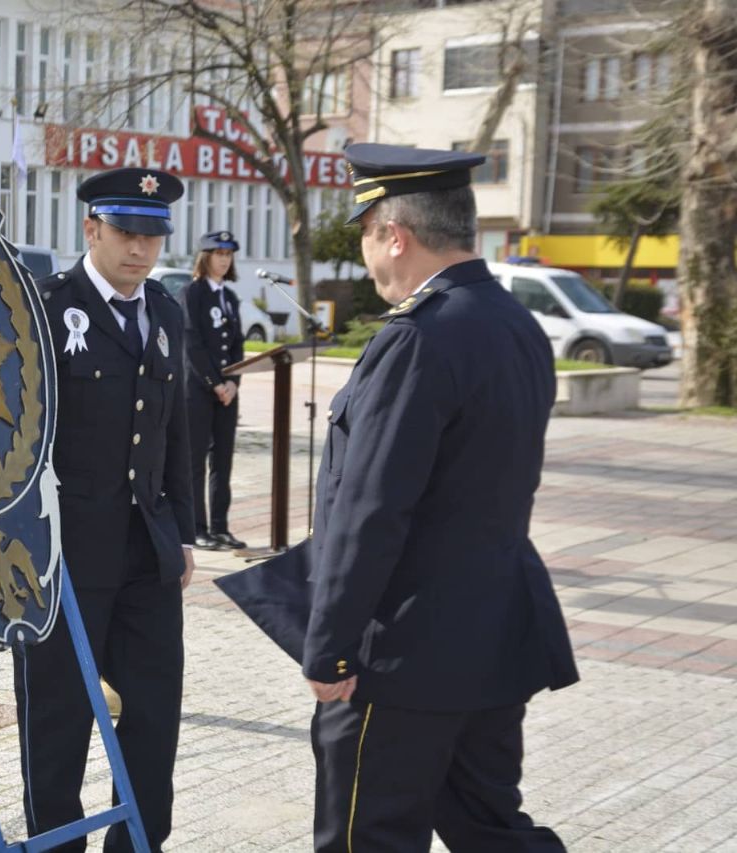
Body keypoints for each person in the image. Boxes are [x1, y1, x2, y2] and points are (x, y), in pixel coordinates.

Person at [303, 143, 579, 852]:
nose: (369, 260)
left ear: (395, 234)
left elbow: (372, 509)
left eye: (368, 237)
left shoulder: (420, 339)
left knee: (367, 838)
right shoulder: (517, 325)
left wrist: (331, 648)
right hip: (493, 635)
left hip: (402, 654)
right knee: (489, 828)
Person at [14, 167, 196, 852]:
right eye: (126, 232)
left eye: (153, 236)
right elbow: (18, 437)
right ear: (92, 228)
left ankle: (139, 843)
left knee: (154, 715)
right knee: (58, 718)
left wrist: (180, 529)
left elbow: (179, 432)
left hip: (146, 552)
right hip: (65, 550)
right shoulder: (47, 306)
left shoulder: (168, 312)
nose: (141, 250)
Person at [180, 230, 247, 551]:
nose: (224, 260)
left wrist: (234, 381)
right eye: (218, 254)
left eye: (228, 255)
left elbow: (237, 345)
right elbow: (192, 343)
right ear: (205, 257)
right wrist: (216, 383)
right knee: (195, 462)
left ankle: (220, 527)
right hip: (199, 390)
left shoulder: (230, 298)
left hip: (227, 392)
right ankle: (197, 528)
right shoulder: (192, 294)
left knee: (223, 460)